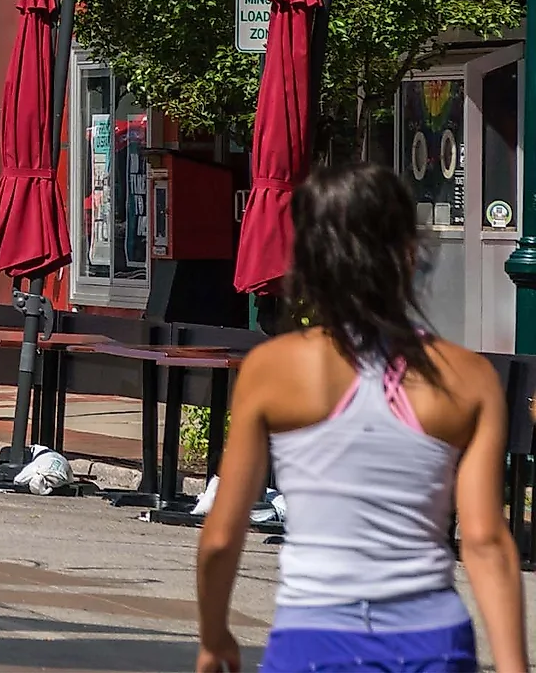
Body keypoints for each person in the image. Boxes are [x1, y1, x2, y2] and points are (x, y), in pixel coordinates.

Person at [195, 162, 526, 673]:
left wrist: (215, 638)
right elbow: (484, 541)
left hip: (313, 637)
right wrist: (512, 665)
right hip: (430, 638)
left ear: (307, 261)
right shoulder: (468, 378)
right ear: (410, 255)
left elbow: (221, 535)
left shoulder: (271, 370)